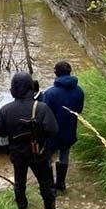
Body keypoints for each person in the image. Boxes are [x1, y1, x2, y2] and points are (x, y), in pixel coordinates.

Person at [0, 72, 65, 209]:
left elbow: (0, 132)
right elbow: (53, 130)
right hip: (38, 153)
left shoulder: (5, 109)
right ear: (31, 87)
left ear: (13, 88)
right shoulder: (41, 107)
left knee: (20, 185)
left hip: (17, 154)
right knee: (46, 183)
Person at [40, 61, 85, 193]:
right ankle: (61, 184)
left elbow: (44, 114)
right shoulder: (79, 91)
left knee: (47, 158)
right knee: (64, 155)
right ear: (69, 72)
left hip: (52, 133)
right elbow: (79, 110)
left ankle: (50, 186)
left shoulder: (50, 93)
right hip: (69, 130)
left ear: (56, 73)